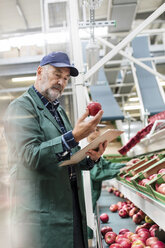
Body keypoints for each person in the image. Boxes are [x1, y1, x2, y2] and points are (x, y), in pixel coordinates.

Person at [3, 51, 107, 248]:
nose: (61, 81)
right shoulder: (21, 108)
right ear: (40, 72)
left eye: (66, 78)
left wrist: (91, 156)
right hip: (42, 216)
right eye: (57, 74)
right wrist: (74, 136)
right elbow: (30, 156)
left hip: (70, 208)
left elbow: (68, 155)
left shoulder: (58, 110)